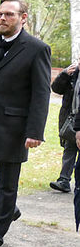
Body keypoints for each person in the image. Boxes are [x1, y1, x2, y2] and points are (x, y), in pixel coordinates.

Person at [0, 0, 51, 247]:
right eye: (0, 14)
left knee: (8, 186)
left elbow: (41, 93)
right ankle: (8, 210)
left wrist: (35, 131)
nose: (2, 19)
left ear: (23, 18)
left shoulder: (37, 49)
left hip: (14, 129)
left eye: (9, 14)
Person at [49, 62, 78, 193]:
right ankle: (64, 180)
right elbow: (56, 88)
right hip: (71, 118)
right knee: (69, 147)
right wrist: (64, 74)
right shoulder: (72, 73)